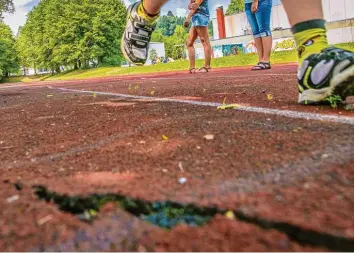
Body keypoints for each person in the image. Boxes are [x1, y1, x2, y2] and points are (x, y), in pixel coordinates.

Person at [121, 0, 353, 105]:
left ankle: (312, 50)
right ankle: (143, 12)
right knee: (194, 41)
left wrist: (192, 13)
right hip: (194, 13)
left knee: (203, 40)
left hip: (199, 13)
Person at [184, 0, 212, 73]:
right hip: (195, 18)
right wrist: (192, 5)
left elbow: (195, 6)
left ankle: (207, 67)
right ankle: (192, 68)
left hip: (201, 17)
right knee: (189, 43)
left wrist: (188, 18)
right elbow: (189, 6)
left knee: (204, 41)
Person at [245, 0, 273, 70]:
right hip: (247, 2)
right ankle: (261, 60)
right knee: (256, 32)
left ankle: (266, 60)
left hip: (261, 1)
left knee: (264, 29)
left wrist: (255, 1)